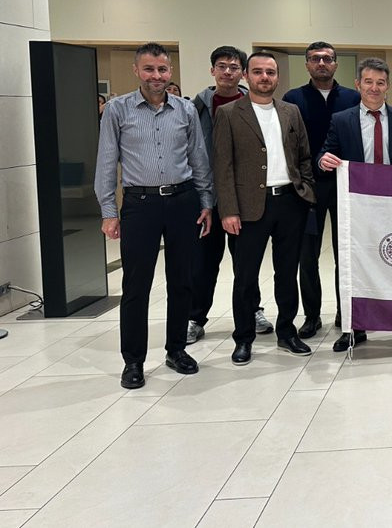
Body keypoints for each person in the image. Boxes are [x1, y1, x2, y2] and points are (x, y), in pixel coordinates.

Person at [94, 42, 213, 389]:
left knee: (182, 280)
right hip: (139, 204)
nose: (156, 76)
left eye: (162, 69)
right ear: (137, 71)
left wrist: (206, 203)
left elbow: (198, 158)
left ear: (170, 71)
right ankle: (133, 361)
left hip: (183, 201)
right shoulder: (117, 110)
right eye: (149, 69)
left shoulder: (185, 109)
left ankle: (177, 349)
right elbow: (106, 162)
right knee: (136, 285)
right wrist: (108, 211)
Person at [214, 52, 317, 365]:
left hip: (290, 202)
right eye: (258, 72)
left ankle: (287, 332)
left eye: (270, 72)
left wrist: (306, 192)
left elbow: (304, 156)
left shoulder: (290, 111)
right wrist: (228, 210)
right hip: (247, 208)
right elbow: (222, 165)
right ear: (246, 76)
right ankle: (243, 338)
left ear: (277, 77)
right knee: (246, 276)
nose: (264, 77)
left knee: (287, 272)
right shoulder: (229, 113)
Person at [320, 57, 392, 352]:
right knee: (350, 264)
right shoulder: (341, 120)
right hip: (357, 208)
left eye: (380, 83)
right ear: (358, 84)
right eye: (368, 82)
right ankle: (353, 326)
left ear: (388, 86)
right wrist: (323, 160)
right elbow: (326, 153)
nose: (374, 88)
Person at [188, 46, 270, 344]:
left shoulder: (253, 104)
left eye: (234, 67)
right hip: (207, 196)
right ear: (212, 70)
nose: (227, 72)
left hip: (243, 196)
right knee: (204, 262)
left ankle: (253, 310)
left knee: (246, 261)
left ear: (242, 73)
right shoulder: (196, 106)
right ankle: (195, 317)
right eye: (221, 66)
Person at [283, 42, 360, 339]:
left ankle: (345, 312)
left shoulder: (353, 98)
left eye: (327, 58)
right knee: (308, 256)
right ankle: (312, 316)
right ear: (307, 64)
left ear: (336, 64)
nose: (322, 63)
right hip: (308, 188)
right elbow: (288, 145)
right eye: (315, 59)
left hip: (346, 187)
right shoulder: (293, 99)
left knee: (346, 255)